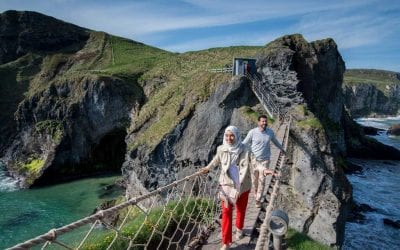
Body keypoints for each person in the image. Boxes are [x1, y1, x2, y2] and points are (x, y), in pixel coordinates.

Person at [202, 126, 252, 250]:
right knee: (226, 212)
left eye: (232, 135)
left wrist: (262, 169)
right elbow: (216, 160)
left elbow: (254, 162)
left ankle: (239, 229)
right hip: (226, 185)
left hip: (242, 185)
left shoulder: (245, 149)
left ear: (236, 136)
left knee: (241, 209)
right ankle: (226, 242)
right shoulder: (221, 149)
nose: (229, 138)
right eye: (227, 135)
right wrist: (207, 168)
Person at [243, 115, 286, 208]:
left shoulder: (270, 132)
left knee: (262, 181)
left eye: (265, 121)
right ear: (258, 122)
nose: (264, 123)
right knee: (254, 180)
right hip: (254, 160)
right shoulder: (252, 132)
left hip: (265, 160)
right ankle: (255, 192)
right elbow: (244, 143)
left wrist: (282, 148)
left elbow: (275, 141)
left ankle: (258, 200)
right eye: (262, 121)